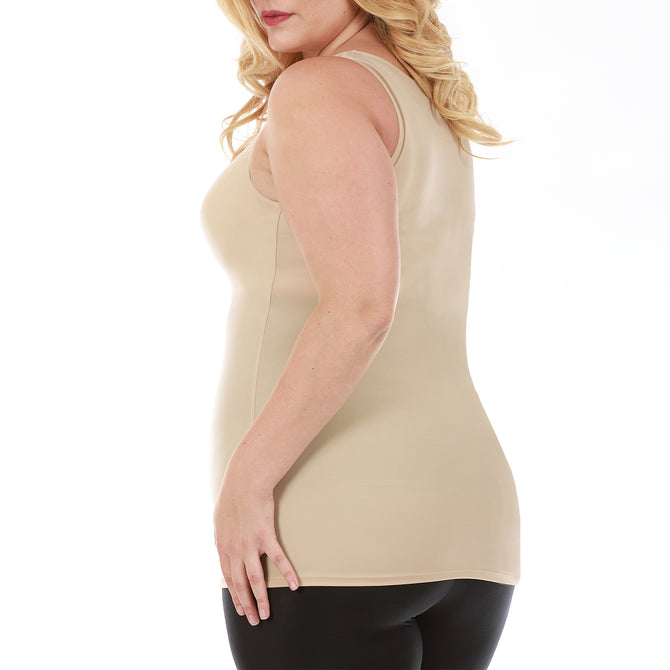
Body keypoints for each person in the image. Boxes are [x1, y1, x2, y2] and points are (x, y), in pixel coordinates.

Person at [200, 0, 521, 667]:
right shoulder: (425, 96)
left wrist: (245, 483)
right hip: (472, 526)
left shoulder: (318, 88)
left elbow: (361, 307)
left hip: (329, 527)